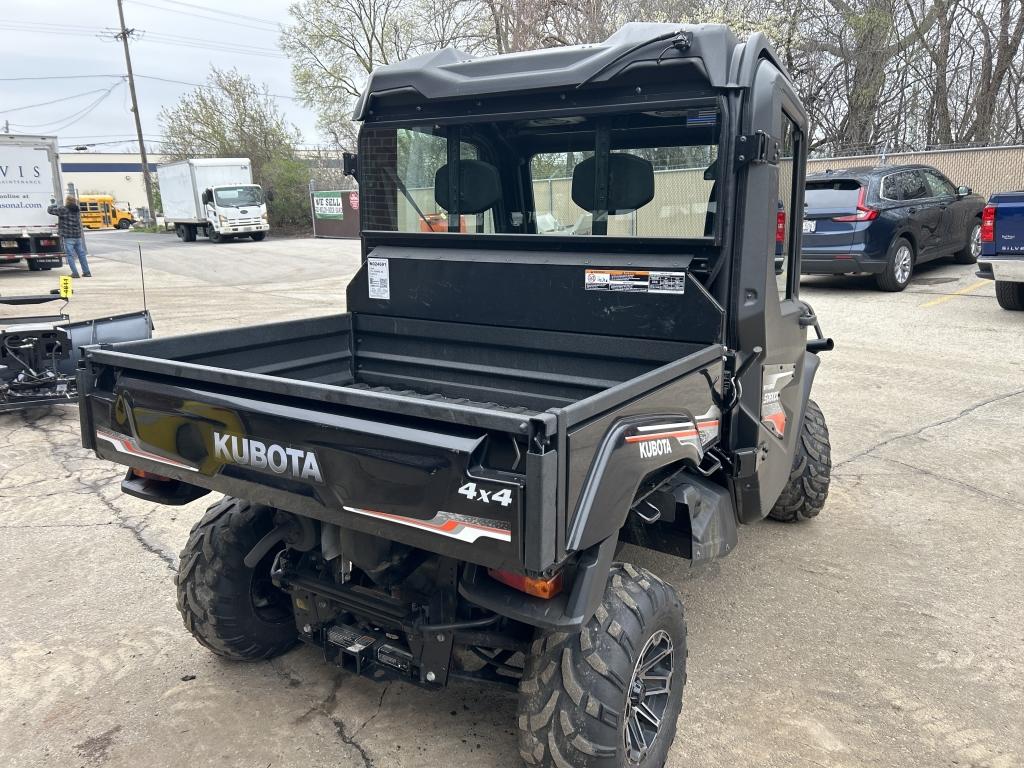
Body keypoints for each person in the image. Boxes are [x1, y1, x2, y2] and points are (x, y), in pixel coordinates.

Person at [47, 196, 92, 278]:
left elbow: (50, 210)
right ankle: (87, 272)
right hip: (78, 236)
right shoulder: (77, 210)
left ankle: (75, 273)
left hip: (68, 236)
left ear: (67, 201)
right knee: (81, 254)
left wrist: (53, 204)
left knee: (70, 255)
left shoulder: (63, 209)